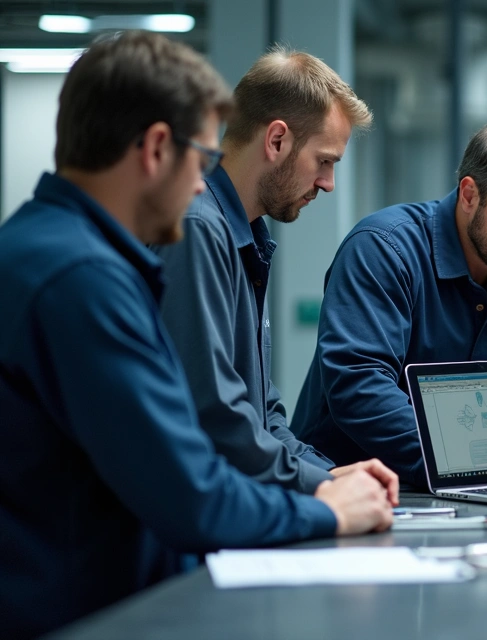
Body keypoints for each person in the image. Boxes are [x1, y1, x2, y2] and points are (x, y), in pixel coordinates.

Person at [0, 32, 394, 638]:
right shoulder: (82, 278)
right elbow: (193, 492)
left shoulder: (53, 251)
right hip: (77, 613)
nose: (201, 183)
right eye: (201, 156)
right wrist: (322, 509)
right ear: (158, 149)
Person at [291, 117, 487, 486]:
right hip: (361, 493)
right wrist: (470, 461)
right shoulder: (383, 250)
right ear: (470, 194)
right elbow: (359, 383)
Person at [151, 47, 395, 495]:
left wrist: (328, 474)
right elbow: (216, 417)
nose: (328, 183)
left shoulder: (244, 234)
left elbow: (261, 411)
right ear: (277, 140)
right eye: (324, 160)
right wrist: (321, 489)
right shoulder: (198, 228)